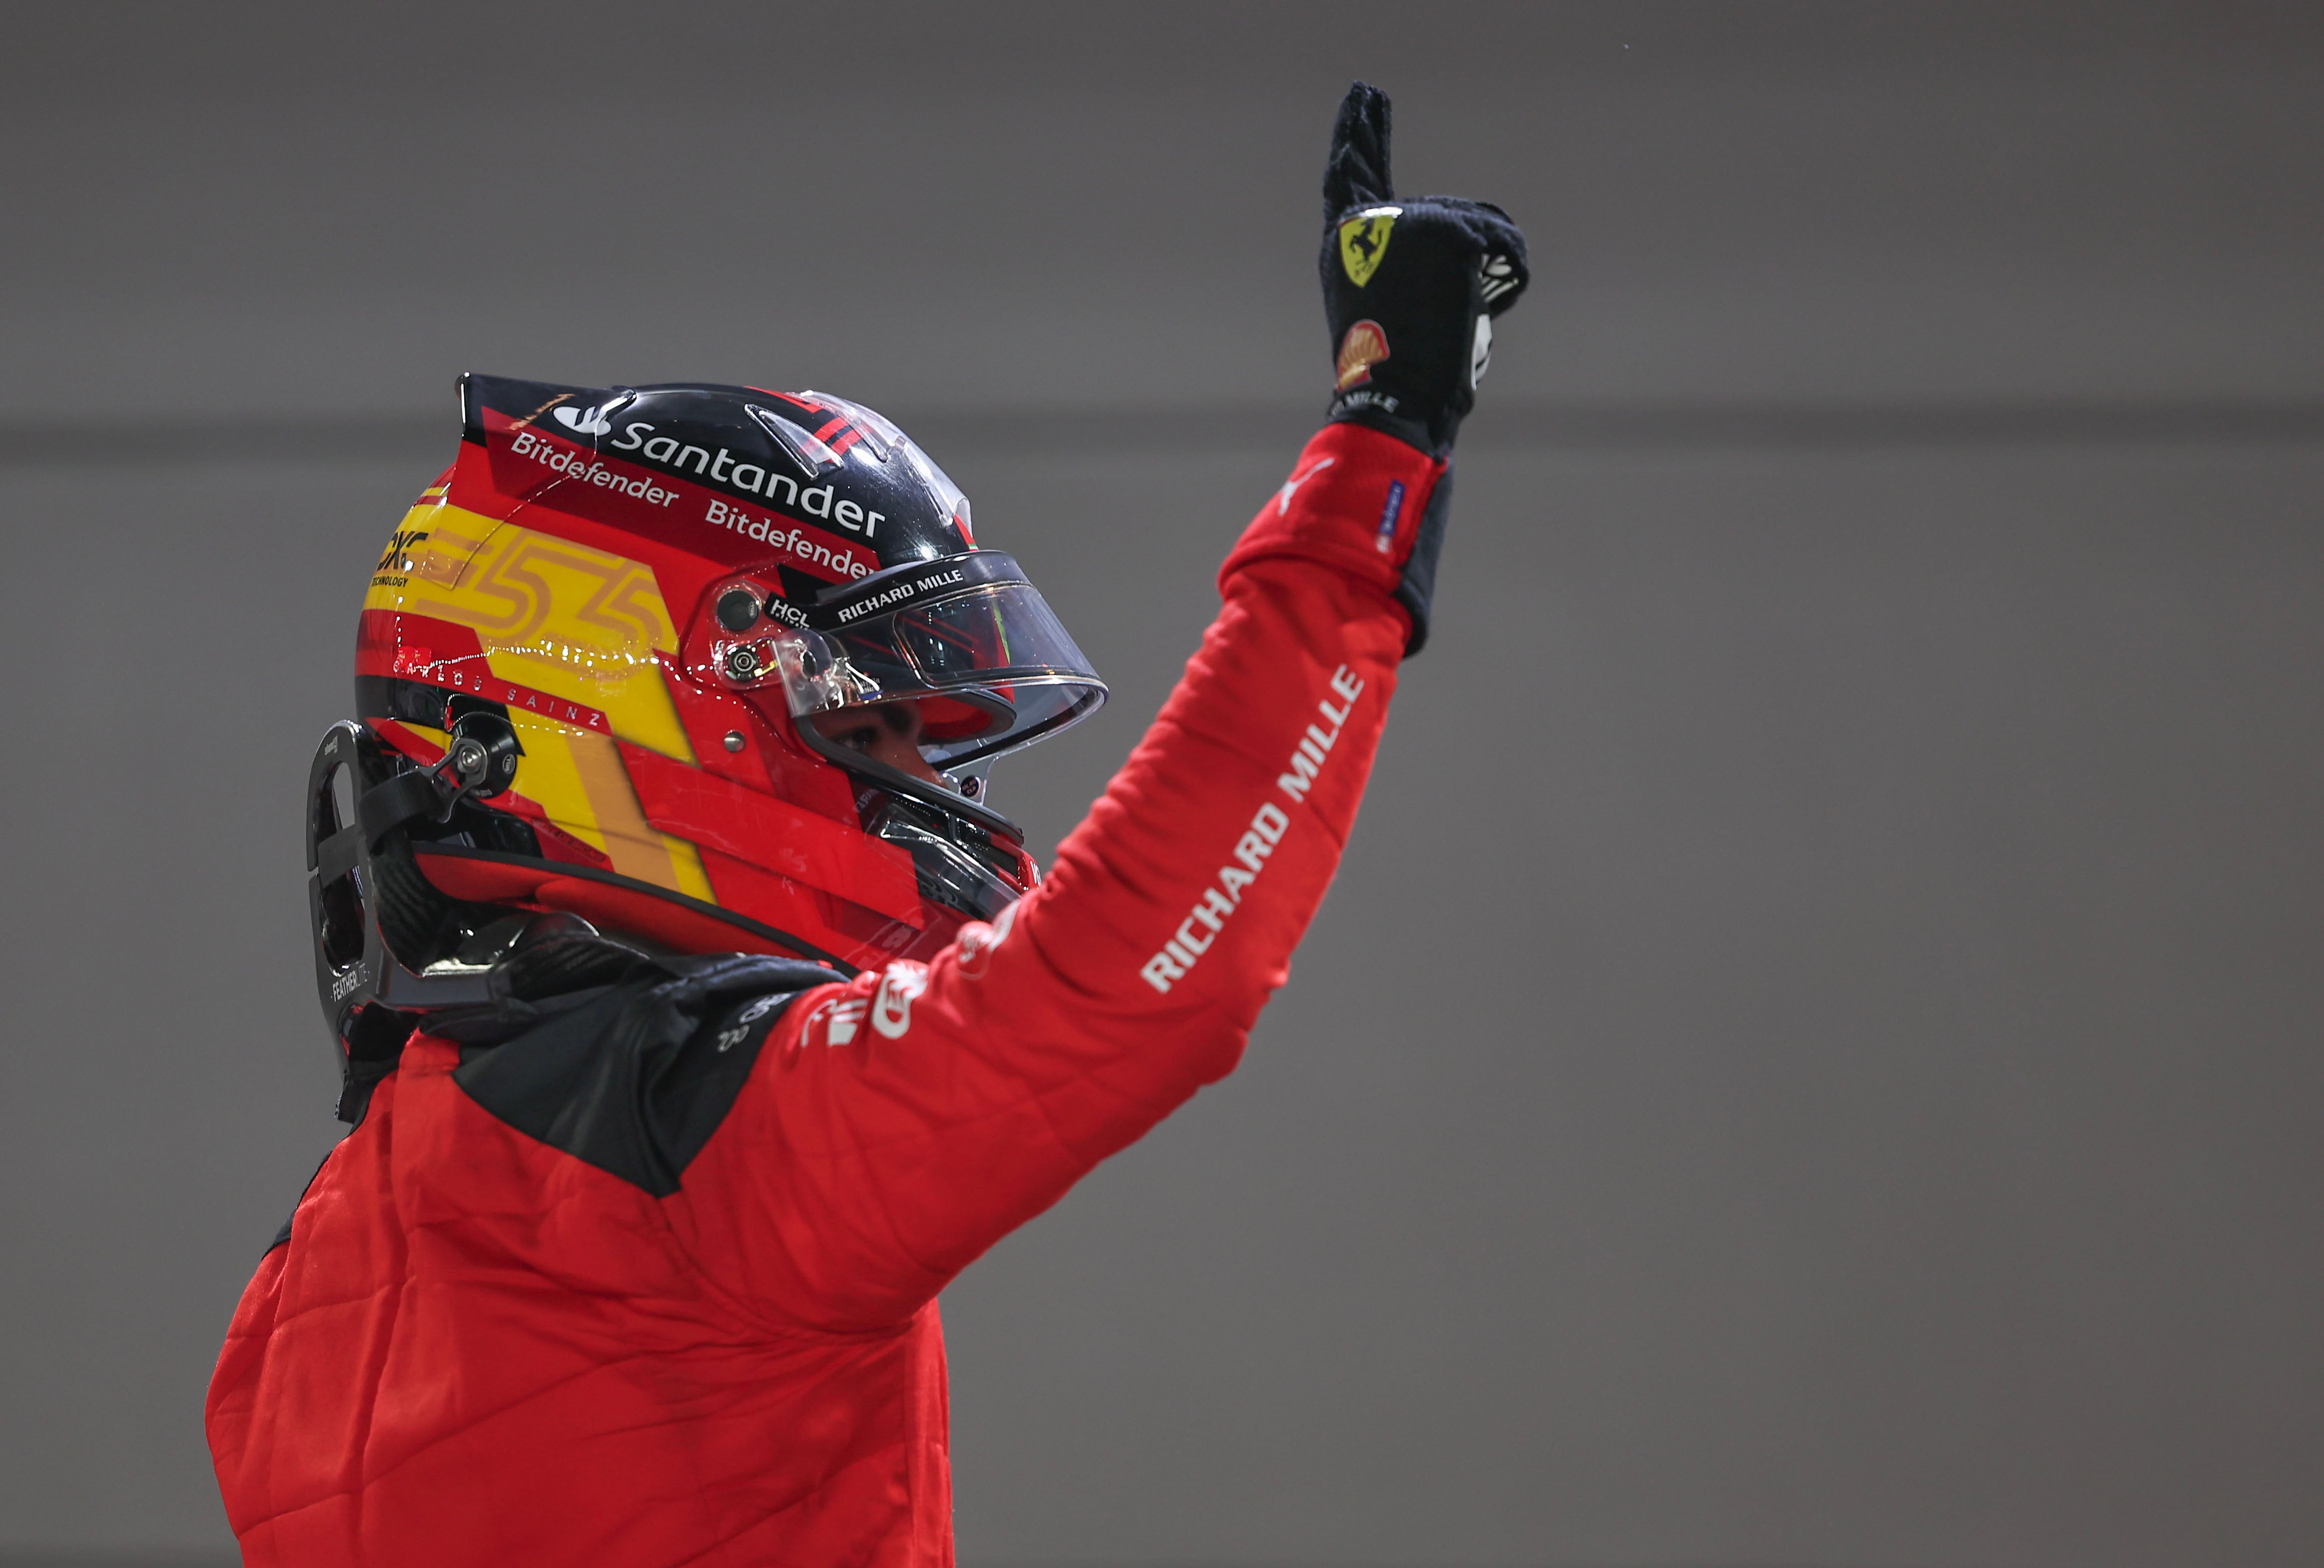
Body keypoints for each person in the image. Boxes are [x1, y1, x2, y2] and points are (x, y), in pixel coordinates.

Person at [206, 82, 1527, 1567]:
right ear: (647, 696)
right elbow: (1135, 984)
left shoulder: (296, 1294)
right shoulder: (699, 1138)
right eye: (864, 721)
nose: (928, 784)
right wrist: (1382, 446)